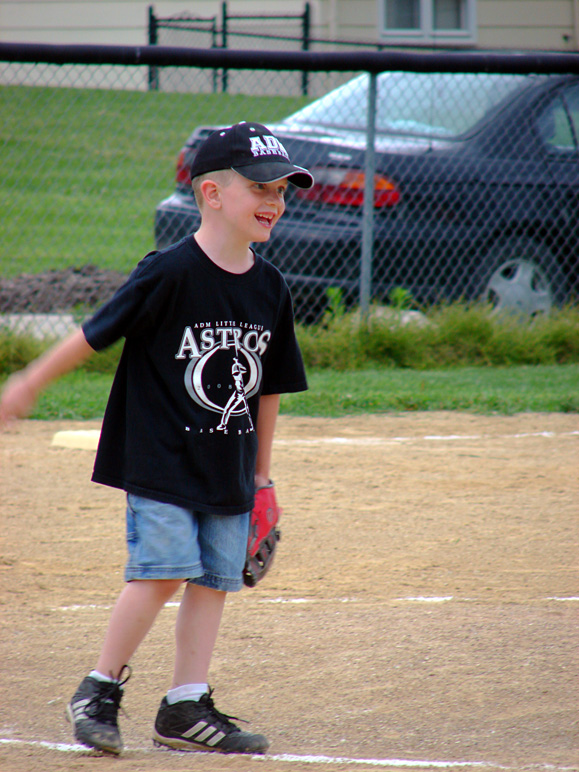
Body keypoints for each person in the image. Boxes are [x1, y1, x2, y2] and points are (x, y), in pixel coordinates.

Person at [0, 121, 313, 756]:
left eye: (282, 188)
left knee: (215, 580)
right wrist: (29, 382)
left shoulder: (270, 286)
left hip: (228, 463)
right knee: (162, 573)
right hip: (162, 458)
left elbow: (270, 385)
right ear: (210, 194)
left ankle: (184, 705)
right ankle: (98, 687)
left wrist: (262, 478)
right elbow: (95, 333)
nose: (274, 199)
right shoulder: (169, 272)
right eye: (259, 186)